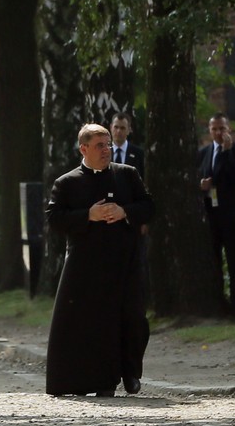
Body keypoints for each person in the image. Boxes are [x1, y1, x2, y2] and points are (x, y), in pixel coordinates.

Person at [45, 123, 154, 396]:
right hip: (85, 265)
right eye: (99, 146)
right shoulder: (67, 182)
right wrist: (87, 216)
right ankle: (87, 381)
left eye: (107, 145)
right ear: (84, 148)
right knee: (85, 323)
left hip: (125, 262)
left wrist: (124, 211)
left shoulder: (127, 175)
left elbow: (148, 206)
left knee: (133, 318)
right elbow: (53, 219)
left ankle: (130, 373)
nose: (106, 150)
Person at [197, 113, 235, 314]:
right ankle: (217, 302)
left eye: (222, 129)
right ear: (209, 130)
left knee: (234, 260)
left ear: (229, 130)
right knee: (213, 259)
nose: (218, 132)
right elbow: (199, 174)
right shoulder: (204, 152)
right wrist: (202, 184)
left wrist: (226, 152)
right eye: (214, 129)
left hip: (231, 214)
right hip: (211, 213)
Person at [109, 111, 145, 176]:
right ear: (111, 127)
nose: (118, 131)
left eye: (122, 128)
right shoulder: (103, 152)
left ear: (129, 130)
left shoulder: (139, 154)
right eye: (116, 127)